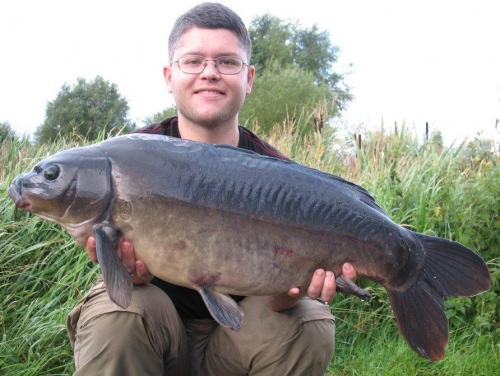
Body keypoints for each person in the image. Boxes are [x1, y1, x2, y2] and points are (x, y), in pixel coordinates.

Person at [67, 3, 357, 375]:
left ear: (248, 77)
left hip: (239, 340)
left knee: (309, 319)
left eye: (226, 62)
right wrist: (128, 272)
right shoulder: (129, 158)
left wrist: (297, 283)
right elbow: (129, 286)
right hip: (155, 333)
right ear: (169, 76)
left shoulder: (281, 176)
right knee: (117, 311)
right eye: (193, 61)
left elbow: (277, 303)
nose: (210, 73)